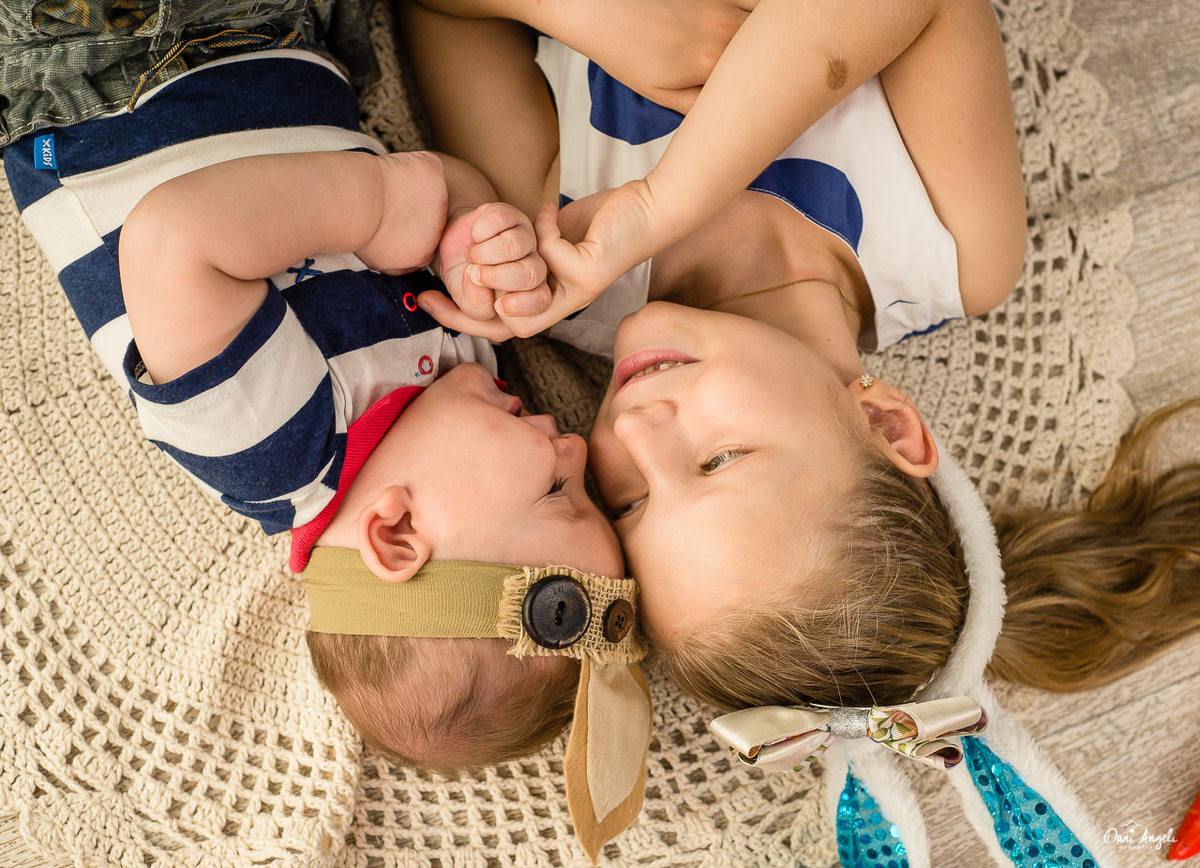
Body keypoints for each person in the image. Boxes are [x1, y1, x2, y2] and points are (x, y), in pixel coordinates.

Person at [399, 0, 1200, 726]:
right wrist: (657, 204)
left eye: (631, 498)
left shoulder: (559, 268)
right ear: (884, 422)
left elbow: (439, 12)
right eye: (718, 460)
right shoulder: (954, 247)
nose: (634, 430)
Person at [2, 45, 628, 773]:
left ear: (396, 532)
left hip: (107, 81)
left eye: (557, 491)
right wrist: (471, 231)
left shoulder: (270, 448)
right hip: (288, 52)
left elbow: (173, 241)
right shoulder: (467, 374)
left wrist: (381, 206)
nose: (577, 447)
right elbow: (436, 182)